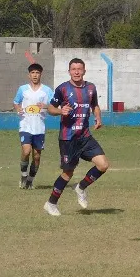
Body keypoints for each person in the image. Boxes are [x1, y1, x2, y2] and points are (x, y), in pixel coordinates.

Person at [44, 57, 109, 217]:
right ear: (69, 71)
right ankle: (51, 203)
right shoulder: (63, 89)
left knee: (103, 165)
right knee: (68, 173)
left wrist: (98, 118)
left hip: (85, 136)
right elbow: (50, 108)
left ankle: (80, 187)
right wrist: (60, 111)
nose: (77, 72)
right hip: (68, 138)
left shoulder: (91, 88)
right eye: (74, 69)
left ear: (84, 71)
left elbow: (95, 105)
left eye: (79, 69)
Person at [13, 62, 53, 190]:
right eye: (33, 73)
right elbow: (16, 102)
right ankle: (23, 176)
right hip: (25, 125)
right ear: (29, 75)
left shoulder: (46, 90)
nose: (35, 75)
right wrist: (18, 108)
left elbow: (54, 105)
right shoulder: (22, 89)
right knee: (26, 151)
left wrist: (45, 106)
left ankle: (30, 180)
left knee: (36, 156)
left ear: (41, 74)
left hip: (39, 127)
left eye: (37, 73)